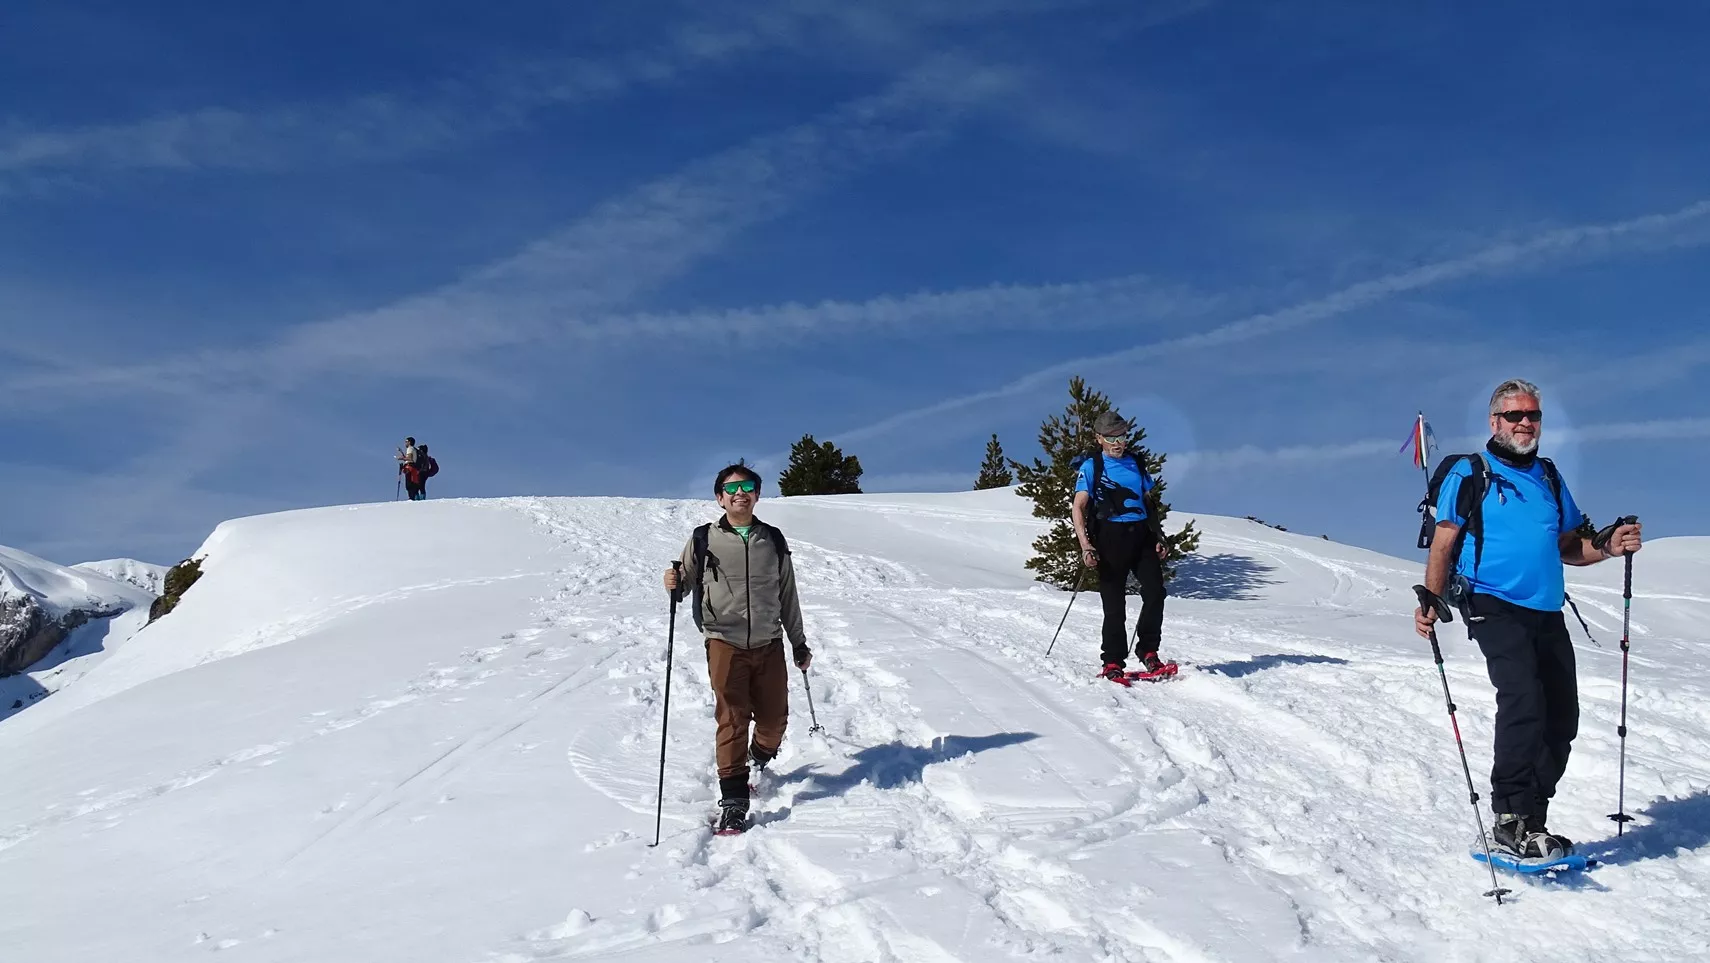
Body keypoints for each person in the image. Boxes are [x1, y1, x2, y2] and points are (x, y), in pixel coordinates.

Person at [1415, 378, 1641, 859]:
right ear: (1495, 421)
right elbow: (1444, 539)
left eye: (1532, 416)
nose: (1525, 423)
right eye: (1515, 415)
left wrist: (1608, 545)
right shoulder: (1468, 471)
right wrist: (1432, 601)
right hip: (1492, 603)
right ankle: (1508, 818)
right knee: (1523, 700)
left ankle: (1531, 822)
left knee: (1562, 716)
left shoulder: (1548, 477)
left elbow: (1569, 546)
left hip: (1545, 608)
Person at [662, 463, 812, 834]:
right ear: (719, 497)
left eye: (747, 486)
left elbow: (787, 594)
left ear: (757, 495)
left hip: (768, 641)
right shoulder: (703, 539)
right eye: (732, 488)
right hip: (723, 640)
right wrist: (673, 582)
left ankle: (758, 757)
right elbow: (683, 586)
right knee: (732, 717)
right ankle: (733, 801)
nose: (740, 492)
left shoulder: (772, 540)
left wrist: (799, 642)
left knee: (775, 720)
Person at [1072, 410, 1170, 683]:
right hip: (1109, 537)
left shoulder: (1136, 464)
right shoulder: (1092, 467)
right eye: (1111, 438)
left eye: (1122, 437)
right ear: (1099, 438)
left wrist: (1159, 535)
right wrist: (1085, 545)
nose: (1118, 443)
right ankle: (1113, 660)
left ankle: (1148, 650)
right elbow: (1078, 507)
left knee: (1155, 592)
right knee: (1114, 603)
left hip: (1140, 535)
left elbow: (1148, 503)